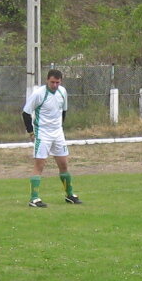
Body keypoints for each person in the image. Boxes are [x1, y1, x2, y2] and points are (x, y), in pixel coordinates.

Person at [22, 69, 82, 207]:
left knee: (63, 164)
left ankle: (69, 194)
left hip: (58, 133)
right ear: (47, 80)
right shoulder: (39, 94)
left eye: (57, 82)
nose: (55, 85)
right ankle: (34, 198)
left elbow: (64, 111)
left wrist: (59, 127)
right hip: (43, 133)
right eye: (52, 82)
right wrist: (31, 132)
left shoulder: (63, 92)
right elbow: (25, 113)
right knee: (40, 165)